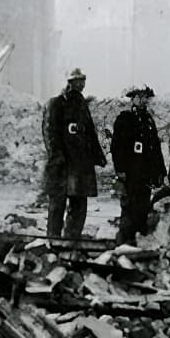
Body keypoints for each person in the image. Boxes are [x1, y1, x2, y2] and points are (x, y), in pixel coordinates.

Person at [42, 68, 107, 239]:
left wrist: (97, 156)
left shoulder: (81, 105)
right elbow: (50, 133)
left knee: (79, 202)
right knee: (58, 203)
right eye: (77, 81)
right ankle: (53, 238)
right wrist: (57, 157)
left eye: (82, 81)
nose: (81, 85)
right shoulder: (56, 103)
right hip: (63, 164)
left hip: (80, 164)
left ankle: (72, 238)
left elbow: (89, 132)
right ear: (69, 83)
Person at [110, 85, 166, 243]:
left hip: (145, 174)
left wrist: (160, 172)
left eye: (145, 97)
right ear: (132, 99)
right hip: (130, 173)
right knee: (129, 208)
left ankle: (138, 242)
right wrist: (120, 170)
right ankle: (124, 242)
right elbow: (116, 147)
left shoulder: (149, 121)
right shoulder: (124, 119)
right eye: (138, 97)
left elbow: (156, 149)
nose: (142, 100)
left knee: (143, 207)